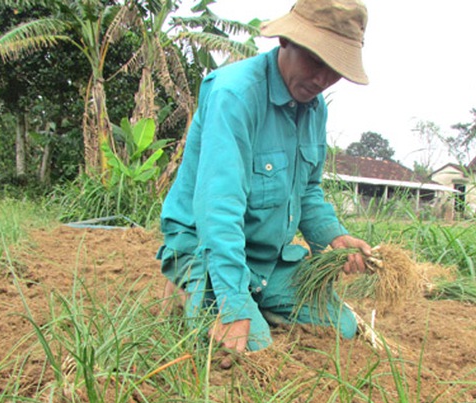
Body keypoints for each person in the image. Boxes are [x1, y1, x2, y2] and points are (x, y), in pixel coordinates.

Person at [157, 0, 373, 356]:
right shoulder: (235, 95)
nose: (322, 79)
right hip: (207, 248)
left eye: (335, 69)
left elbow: (307, 191)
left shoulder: (314, 109)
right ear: (286, 40)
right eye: (316, 61)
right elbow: (218, 208)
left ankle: (255, 301)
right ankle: (190, 286)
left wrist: (333, 237)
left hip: (267, 259)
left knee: (343, 329)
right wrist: (232, 303)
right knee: (247, 350)